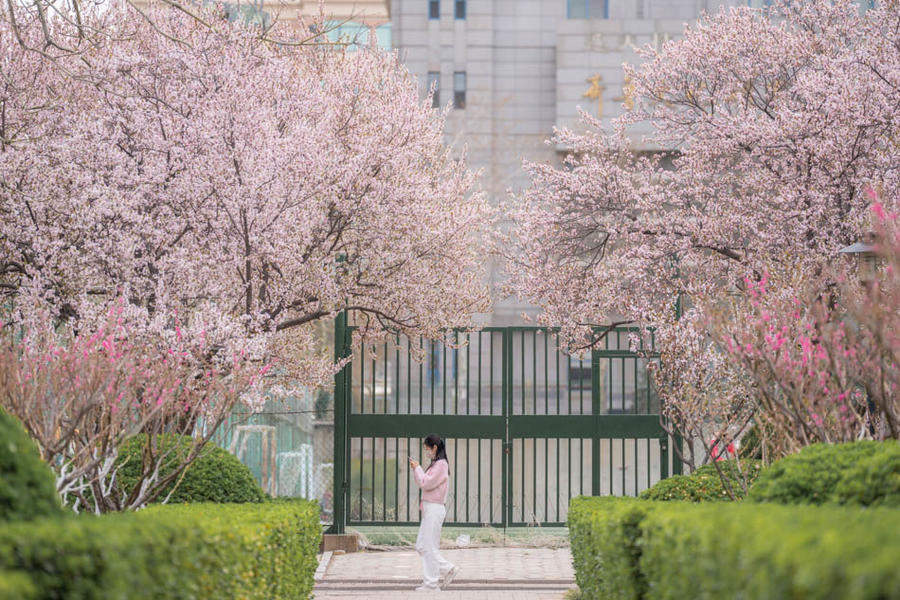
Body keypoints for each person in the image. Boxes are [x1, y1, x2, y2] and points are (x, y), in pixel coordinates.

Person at [409, 434, 459, 591]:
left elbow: (425, 483)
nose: (427, 452)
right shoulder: (436, 464)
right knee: (422, 545)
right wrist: (417, 469)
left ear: (435, 447)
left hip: (435, 508)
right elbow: (425, 481)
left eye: (427, 449)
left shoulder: (441, 465)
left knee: (429, 546)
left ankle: (435, 580)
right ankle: (437, 576)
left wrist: (417, 468)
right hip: (430, 508)